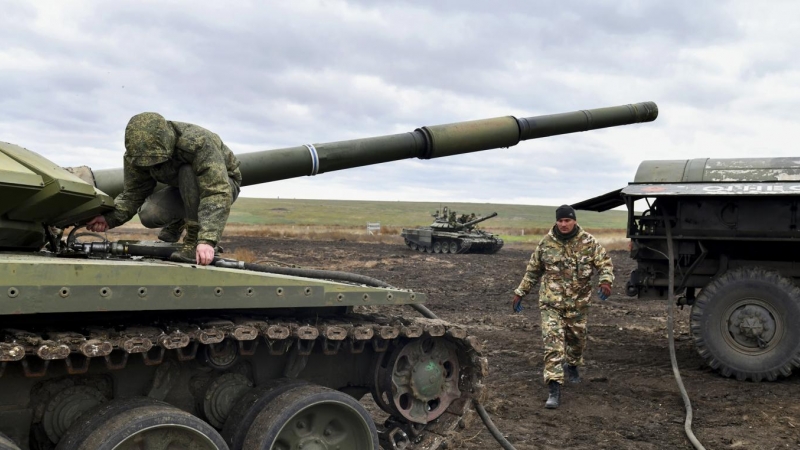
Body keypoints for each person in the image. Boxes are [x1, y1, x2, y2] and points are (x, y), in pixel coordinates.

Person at [86, 112, 242, 266]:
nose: (150, 165)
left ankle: (193, 238)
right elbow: (134, 193)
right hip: (180, 189)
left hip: (224, 186)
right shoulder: (136, 155)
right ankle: (181, 219)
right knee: (150, 214)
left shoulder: (198, 142)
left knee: (187, 171)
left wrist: (206, 240)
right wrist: (109, 218)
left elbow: (217, 190)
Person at [511, 205, 613, 409]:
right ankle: (554, 388)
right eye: (560, 221)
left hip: (578, 304)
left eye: (567, 220)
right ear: (556, 222)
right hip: (551, 303)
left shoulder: (588, 242)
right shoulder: (546, 244)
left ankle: (573, 364)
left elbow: (604, 263)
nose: (564, 224)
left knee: (577, 340)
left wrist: (606, 281)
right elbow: (533, 271)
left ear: (574, 221)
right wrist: (520, 292)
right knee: (553, 344)